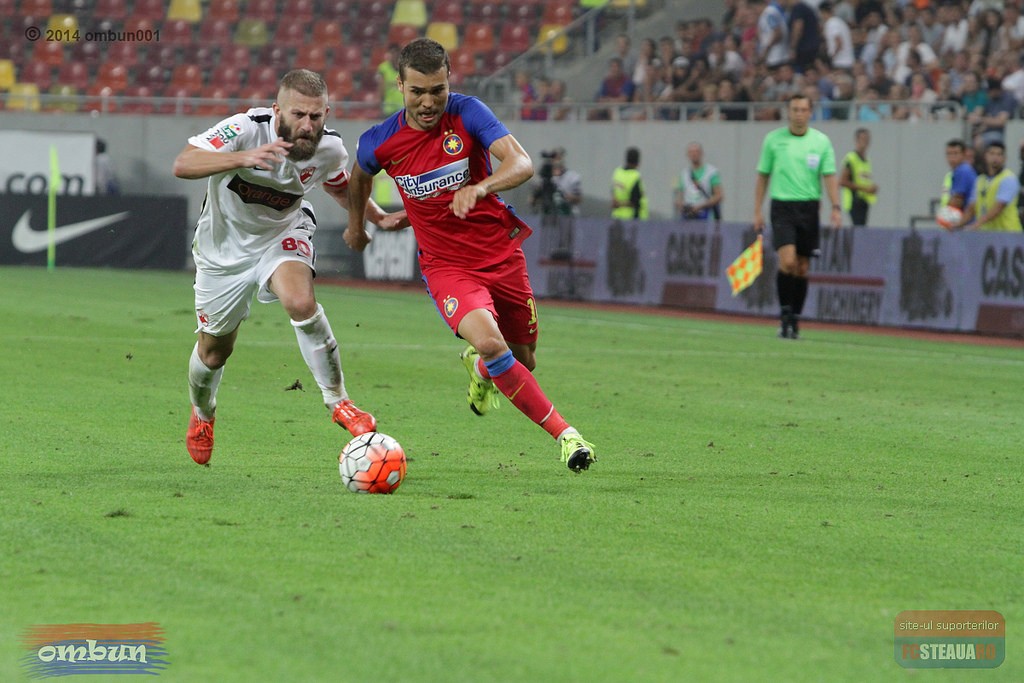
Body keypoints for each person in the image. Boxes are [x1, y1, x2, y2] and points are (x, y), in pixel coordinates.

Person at [342, 39, 596, 472]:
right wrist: (360, 224)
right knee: (496, 344)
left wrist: (481, 187)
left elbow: (521, 163)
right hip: (447, 268)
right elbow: (358, 177)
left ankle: (481, 370)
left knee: (523, 359)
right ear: (400, 86)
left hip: (501, 256)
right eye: (417, 91)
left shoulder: (468, 113)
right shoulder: (380, 141)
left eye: (437, 90)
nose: (428, 102)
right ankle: (567, 436)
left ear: (449, 81)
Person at [171, 69, 406, 465]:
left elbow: (335, 183)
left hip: (283, 234)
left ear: (327, 113)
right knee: (213, 353)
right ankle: (203, 413)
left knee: (300, 301)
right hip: (223, 251)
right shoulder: (245, 128)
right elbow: (184, 163)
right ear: (278, 109)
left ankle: (339, 402)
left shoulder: (329, 148)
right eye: (299, 115)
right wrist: (242, 157)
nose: (308, 125)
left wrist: (377, 217)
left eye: (316, 116)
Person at [753, 93, 842, 340]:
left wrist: (836, 207)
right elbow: (763, 176)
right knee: (788, 261)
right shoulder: (773, 141)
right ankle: (784, 315)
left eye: (803, 110)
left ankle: (795, 319)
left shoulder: (821, 142)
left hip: (809, 208)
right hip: (782, 206)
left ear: (810, 113)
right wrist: (757, 210)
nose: (799, 114)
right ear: (788, 112)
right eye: (795, 109)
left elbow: (829, 176)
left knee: (802, 267)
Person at [949, 141, 1023, 232]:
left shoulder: (1009, 179)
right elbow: (972, 207)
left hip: (1008, 233)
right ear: (985, 156)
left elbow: (998, 207)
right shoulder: (980, 180)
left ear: (1005, 158)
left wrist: (976, 225)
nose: (995, 158)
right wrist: (958, 224)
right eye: (992, 153)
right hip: (988, 234)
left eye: (999, 154)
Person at [674, 142, 723, 225]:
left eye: (696, 152)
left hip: (705, 215)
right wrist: (683, 207)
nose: (694, 154)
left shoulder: (711, 172)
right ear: (688, 155)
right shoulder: (684, 174)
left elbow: (719, 195)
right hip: (688, 217)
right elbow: (679, 197)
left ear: (701, 153)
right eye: (691, 152)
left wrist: (701, 206)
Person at [839, 128, 878, 226]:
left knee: (862, 228)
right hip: (854, 201)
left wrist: (871, 188)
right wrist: (865, 189)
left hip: (864, 201)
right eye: (862, 139)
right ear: (856, 140)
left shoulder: (866, 160)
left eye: (867, 139)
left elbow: (863, 179)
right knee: (858, 229)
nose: (865, 142)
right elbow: (842, 181)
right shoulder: (851, 158)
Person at [940, 138, 978, 212]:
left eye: (955, 153)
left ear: (964, 155)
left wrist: (944, 212)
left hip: (967, 220)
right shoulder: (963, 170)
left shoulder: (962, 171)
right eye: (949, 154)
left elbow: (957, 201)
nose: (952, 158)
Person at [611, 146, 648, 220]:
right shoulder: (635, 176)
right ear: (638, 161)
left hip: (617, 217)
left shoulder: (617, 172)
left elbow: (613, 192)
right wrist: (621, 204)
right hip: (632, 219)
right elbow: (635, 201)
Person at [377, 44, 404, 116]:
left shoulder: (405, 68)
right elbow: (381, 88)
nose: (394, 55)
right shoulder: (383, 68)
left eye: (396, 52)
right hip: (389, 107)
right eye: (392, 53)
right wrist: (380, 105)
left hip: (403, 106)